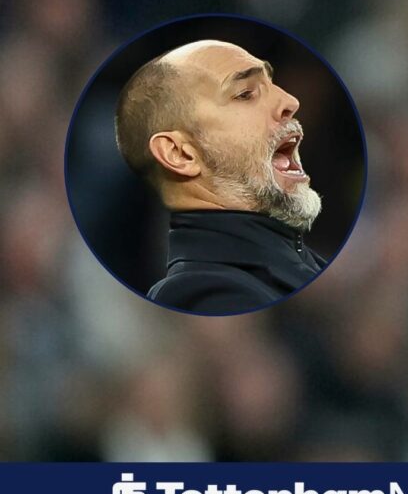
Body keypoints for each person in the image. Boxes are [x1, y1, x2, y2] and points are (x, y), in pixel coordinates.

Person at [114, 39, 325, 315]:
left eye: (271, 84)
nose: (290, 101)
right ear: (180, 154)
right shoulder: (204, 292)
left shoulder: (294, 262)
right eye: (245, 94)